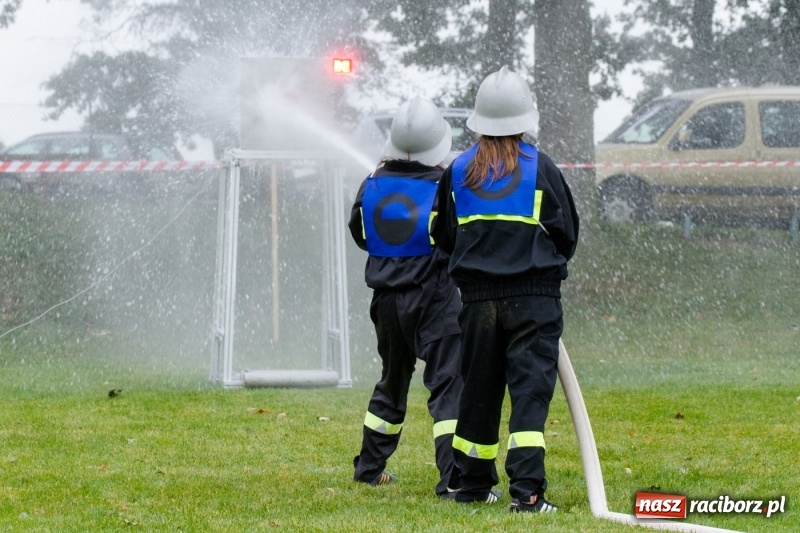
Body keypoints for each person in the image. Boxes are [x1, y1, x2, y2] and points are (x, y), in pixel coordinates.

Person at [431, 66, 579, 512]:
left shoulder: (457, 172)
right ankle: (528, 493)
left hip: (476, 303)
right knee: (529, 394)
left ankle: (472, 485)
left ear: (478, 121)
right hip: (534, 299)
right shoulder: (542, 168)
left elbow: (443, 234)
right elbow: (566, 231)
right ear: (524, 120)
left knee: (478, 393)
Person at [349, 96, 464, 499]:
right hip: (434, 299)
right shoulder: (443, 185)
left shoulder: (372, 183)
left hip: (386, 302)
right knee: (448, 385)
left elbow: (360, 232)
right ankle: (454, 480)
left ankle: (369, 468)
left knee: (392, 382)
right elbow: (455, 238)